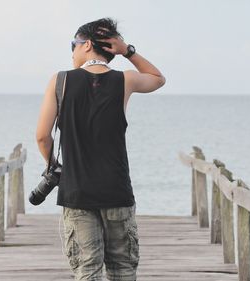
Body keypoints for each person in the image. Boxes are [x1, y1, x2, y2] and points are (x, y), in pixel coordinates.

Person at [35, 17, 166, 281]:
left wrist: (54, 167)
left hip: (77, 192)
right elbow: (158, 79)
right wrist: (127, 50)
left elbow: (42, 137)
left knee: (87, 271)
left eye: (74, 44)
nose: (72, 51)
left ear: (86, 45)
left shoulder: (59, 81)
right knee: (122, 270)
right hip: (116, 191)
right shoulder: (125, 81)